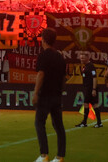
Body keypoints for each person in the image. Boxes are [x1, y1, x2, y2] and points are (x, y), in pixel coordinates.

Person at [32, 28, 66, 162]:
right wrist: (61, 90)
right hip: (57, 95)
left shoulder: (43, 55)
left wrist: (35, 93)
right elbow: (64, 78)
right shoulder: (60, 57)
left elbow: (41, 74)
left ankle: (44, 155)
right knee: (59, 126)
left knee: (39, 123)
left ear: (44, 39)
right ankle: (59, 156)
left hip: (45, 95)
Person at [74, 53, 101, 128]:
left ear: (88, 58)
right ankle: (99, 123)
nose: (81, 59)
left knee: (86, 104)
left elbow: (95, 78)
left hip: (90, 88)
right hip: (88, 88)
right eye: (80, 58)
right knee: (94, 104)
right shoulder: (85, 66)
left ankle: (84, 122)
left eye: (83, 58)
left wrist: (94, 89)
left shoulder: (91, 66)